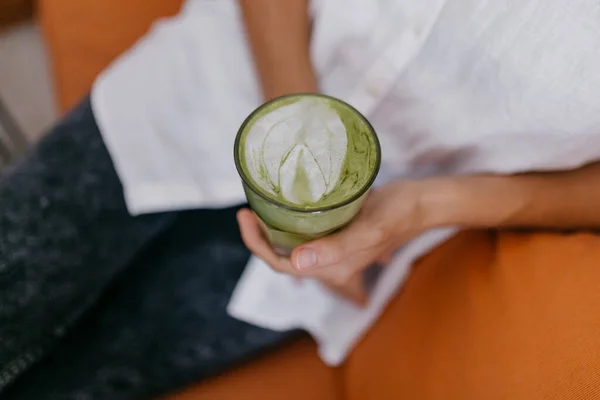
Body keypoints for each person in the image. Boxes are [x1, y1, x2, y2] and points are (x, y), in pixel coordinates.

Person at [2, 0, 600, 399]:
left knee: (70, 379)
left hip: (362, 236)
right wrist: (292, 107)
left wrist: (426, 207)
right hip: (207, 84)